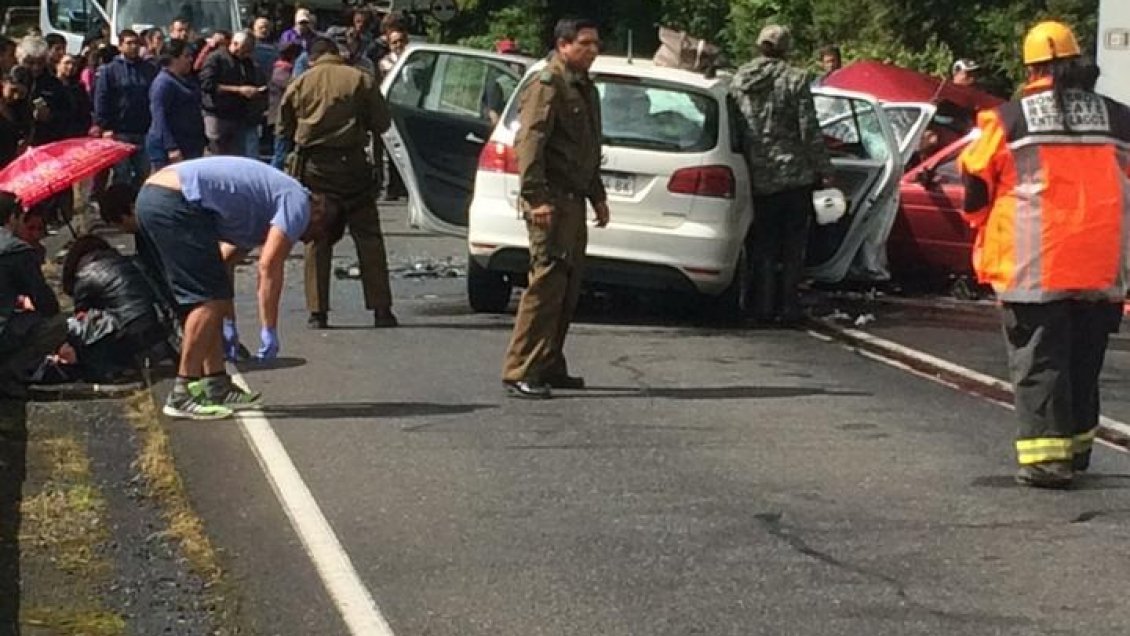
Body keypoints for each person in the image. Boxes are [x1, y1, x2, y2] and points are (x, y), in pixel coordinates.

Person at [958, 21, 1130, 489]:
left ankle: (1046, 461)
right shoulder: (1118, 118)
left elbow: (975, 188)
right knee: (1083, 360)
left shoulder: (1008, 120)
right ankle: (1076, 452)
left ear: (1031, 66)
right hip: (1100, 266)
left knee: (1039, 362)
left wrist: (982, 227)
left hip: (1034, 263)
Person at [127, 157, 332, 419]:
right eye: (312, 234)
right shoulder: (298, 202)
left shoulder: (260, 212)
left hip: (158, 197)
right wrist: (268, 329)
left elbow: (223, 265)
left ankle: (217, 384)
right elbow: (269, 266)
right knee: (207, 300)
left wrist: (228, 323)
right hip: (174, 200)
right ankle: (181, 394)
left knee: (212, 296)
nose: (302, 239)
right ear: (319, 215)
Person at [500, 18, 608, 400]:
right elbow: (530, 144)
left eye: (595, 43)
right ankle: (520, 368)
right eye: (584, 43)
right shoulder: (548, 84)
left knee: (567, 285)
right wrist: (536, 198)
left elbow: (587, 146)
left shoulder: (583, 87)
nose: (593, 50)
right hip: (552, 199)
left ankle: (548, 361)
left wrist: (597, 194)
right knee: (545, 283)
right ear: (563, 45)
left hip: (574, 199)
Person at [279, 36, 396, 330]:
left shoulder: (300, 83)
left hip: (315, 169)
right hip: (352, 166)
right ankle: (381, 309)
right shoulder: (360, 79)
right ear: (336, 54)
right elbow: (382, 123)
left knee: (317, 237)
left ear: (314, 56)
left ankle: (318, 311)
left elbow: (284, 128)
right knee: (368, 236)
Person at [730, 24, 834, 326]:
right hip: (794, 176)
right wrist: (825, 169)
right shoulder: (796, 79)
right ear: (786, 47)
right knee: (792, 246)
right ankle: (788, 307)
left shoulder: (739, 80)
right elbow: (808, 129)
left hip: (758, 176)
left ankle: (760, 306)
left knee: (762, 243)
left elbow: (736, 126)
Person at [58, 235, 174, 382]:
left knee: (82, 329)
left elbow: (81, 318)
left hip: (128, 330)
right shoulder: (129, 262)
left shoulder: (85, 276)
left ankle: (106, 369)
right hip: (157, 324)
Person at [0, 192, 65, 399]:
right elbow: (45, 302)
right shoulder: (17, 250)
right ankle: (9, 373)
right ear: (12, 217)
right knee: (57, 324)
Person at [93, 29, 158, 187]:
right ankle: (120, 207)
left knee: (143, 173)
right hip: (119, 131)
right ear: (120, 46)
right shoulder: (110, 71)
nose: (134, 47)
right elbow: (101, 99)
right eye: (129, 43)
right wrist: (105, 126)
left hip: (143, 130)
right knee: (122, 175)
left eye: (136, 43)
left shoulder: (149, 69)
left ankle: (135, 207)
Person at [199, 30, 264, 157]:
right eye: (244, 50)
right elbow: (207, 84)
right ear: (234, 43)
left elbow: (250, 80)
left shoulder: (247, 62)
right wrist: (238, 90)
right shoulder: (216, 58)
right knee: (217, 154)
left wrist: (255, 91)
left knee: (236, 157)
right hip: (217, 116)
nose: (246, 54)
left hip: (238, 117)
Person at [147, 39, 206, 170]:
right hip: (172, 149)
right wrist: (171, 147)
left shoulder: (185, 80)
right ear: (174, 59)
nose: (191, 60)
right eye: (186, 56)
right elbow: (159, 118)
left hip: (190, 144)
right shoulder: (163, 83)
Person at [268, 42, 301, 169]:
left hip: (286, 118)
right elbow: (292, 87)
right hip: (280, 118)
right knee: (280, 153)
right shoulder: (280, 71)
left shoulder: (288, 70)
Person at [55, 53, 92, 139]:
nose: (71, 67)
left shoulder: (79, 88)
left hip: (76, 134)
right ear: (58, 65)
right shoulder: (51, 87)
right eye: (67, 63)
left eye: (74, 64)